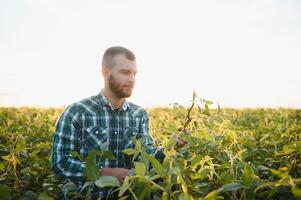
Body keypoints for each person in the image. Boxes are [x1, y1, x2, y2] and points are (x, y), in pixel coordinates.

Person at [51, 46, 184, 199]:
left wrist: (169, 147)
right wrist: (104, 173)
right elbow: (60, 162)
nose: (132, 79)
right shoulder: (77, 112)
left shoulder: (138, 114)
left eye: (134, 73)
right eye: (125, 72)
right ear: (105, 72)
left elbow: (144, 157)